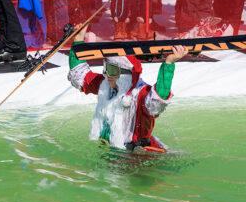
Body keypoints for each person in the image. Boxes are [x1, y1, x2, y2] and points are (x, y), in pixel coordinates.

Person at [68, 24, 189, 152]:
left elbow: (157, 102)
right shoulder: (106, 84)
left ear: (127, 74)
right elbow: (79, 75)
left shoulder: (140, 93)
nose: (107, 75)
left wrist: (168, 64)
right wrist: (77, 41)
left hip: (137, 156)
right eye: (106, 68)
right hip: (110, 149)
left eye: (113, 70)